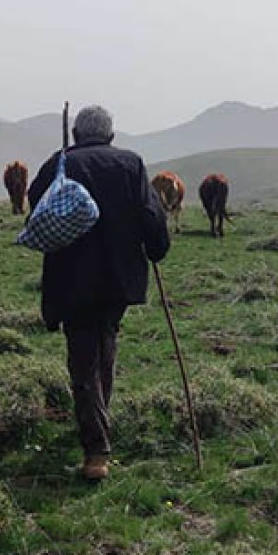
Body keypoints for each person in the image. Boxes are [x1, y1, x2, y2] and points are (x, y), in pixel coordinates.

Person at [26, 104, 170, 481]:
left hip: (71, 279)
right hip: (119, 280)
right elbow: (151, 216)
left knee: (84, 359)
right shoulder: (131, 164)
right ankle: (97, 430)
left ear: (75, 134)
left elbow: (34, 208)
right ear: (110, 135)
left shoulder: (60, 164)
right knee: (103, 348)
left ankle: (95, 450)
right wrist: (156, 248)